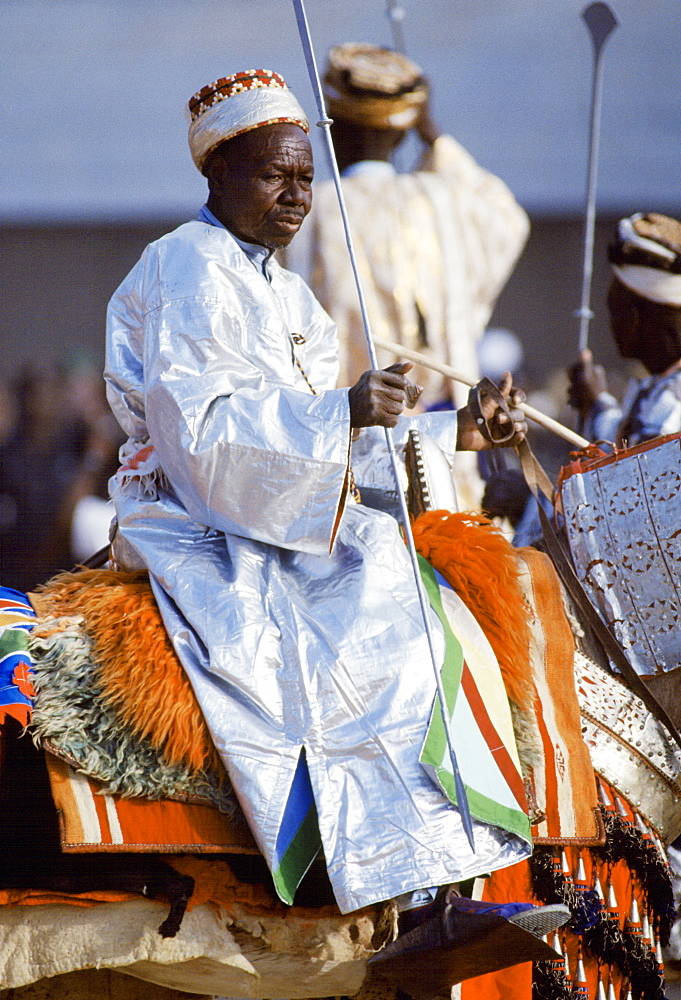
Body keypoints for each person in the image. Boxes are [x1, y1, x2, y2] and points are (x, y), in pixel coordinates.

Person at [103, 70, 565, 957]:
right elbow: (200, 440)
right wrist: (341, 411)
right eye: (276, 173)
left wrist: (455, 429)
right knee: (368, 602)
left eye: (307, 177)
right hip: (196, 519)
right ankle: (387, 893)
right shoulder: (185, 264)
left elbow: (336, 443)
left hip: (278, 511)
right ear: (217, 174)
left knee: (418, 589)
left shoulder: (288, 291)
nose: (297, 194)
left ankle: (440, 881)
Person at [283, 43, 530, 507]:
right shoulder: (446, 200)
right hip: (449, 456)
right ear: (402, 134)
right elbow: (507, 220)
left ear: (329, 129)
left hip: (348, 461)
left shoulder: (307, 213)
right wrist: (432, 135)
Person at [569, 212, 681, 446]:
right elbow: (627, 448)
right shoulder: (659, 385)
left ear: (635, 316)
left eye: (616, 309)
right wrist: (595, 403)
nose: (612, 323)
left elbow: (639, 476)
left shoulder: (672, 397)